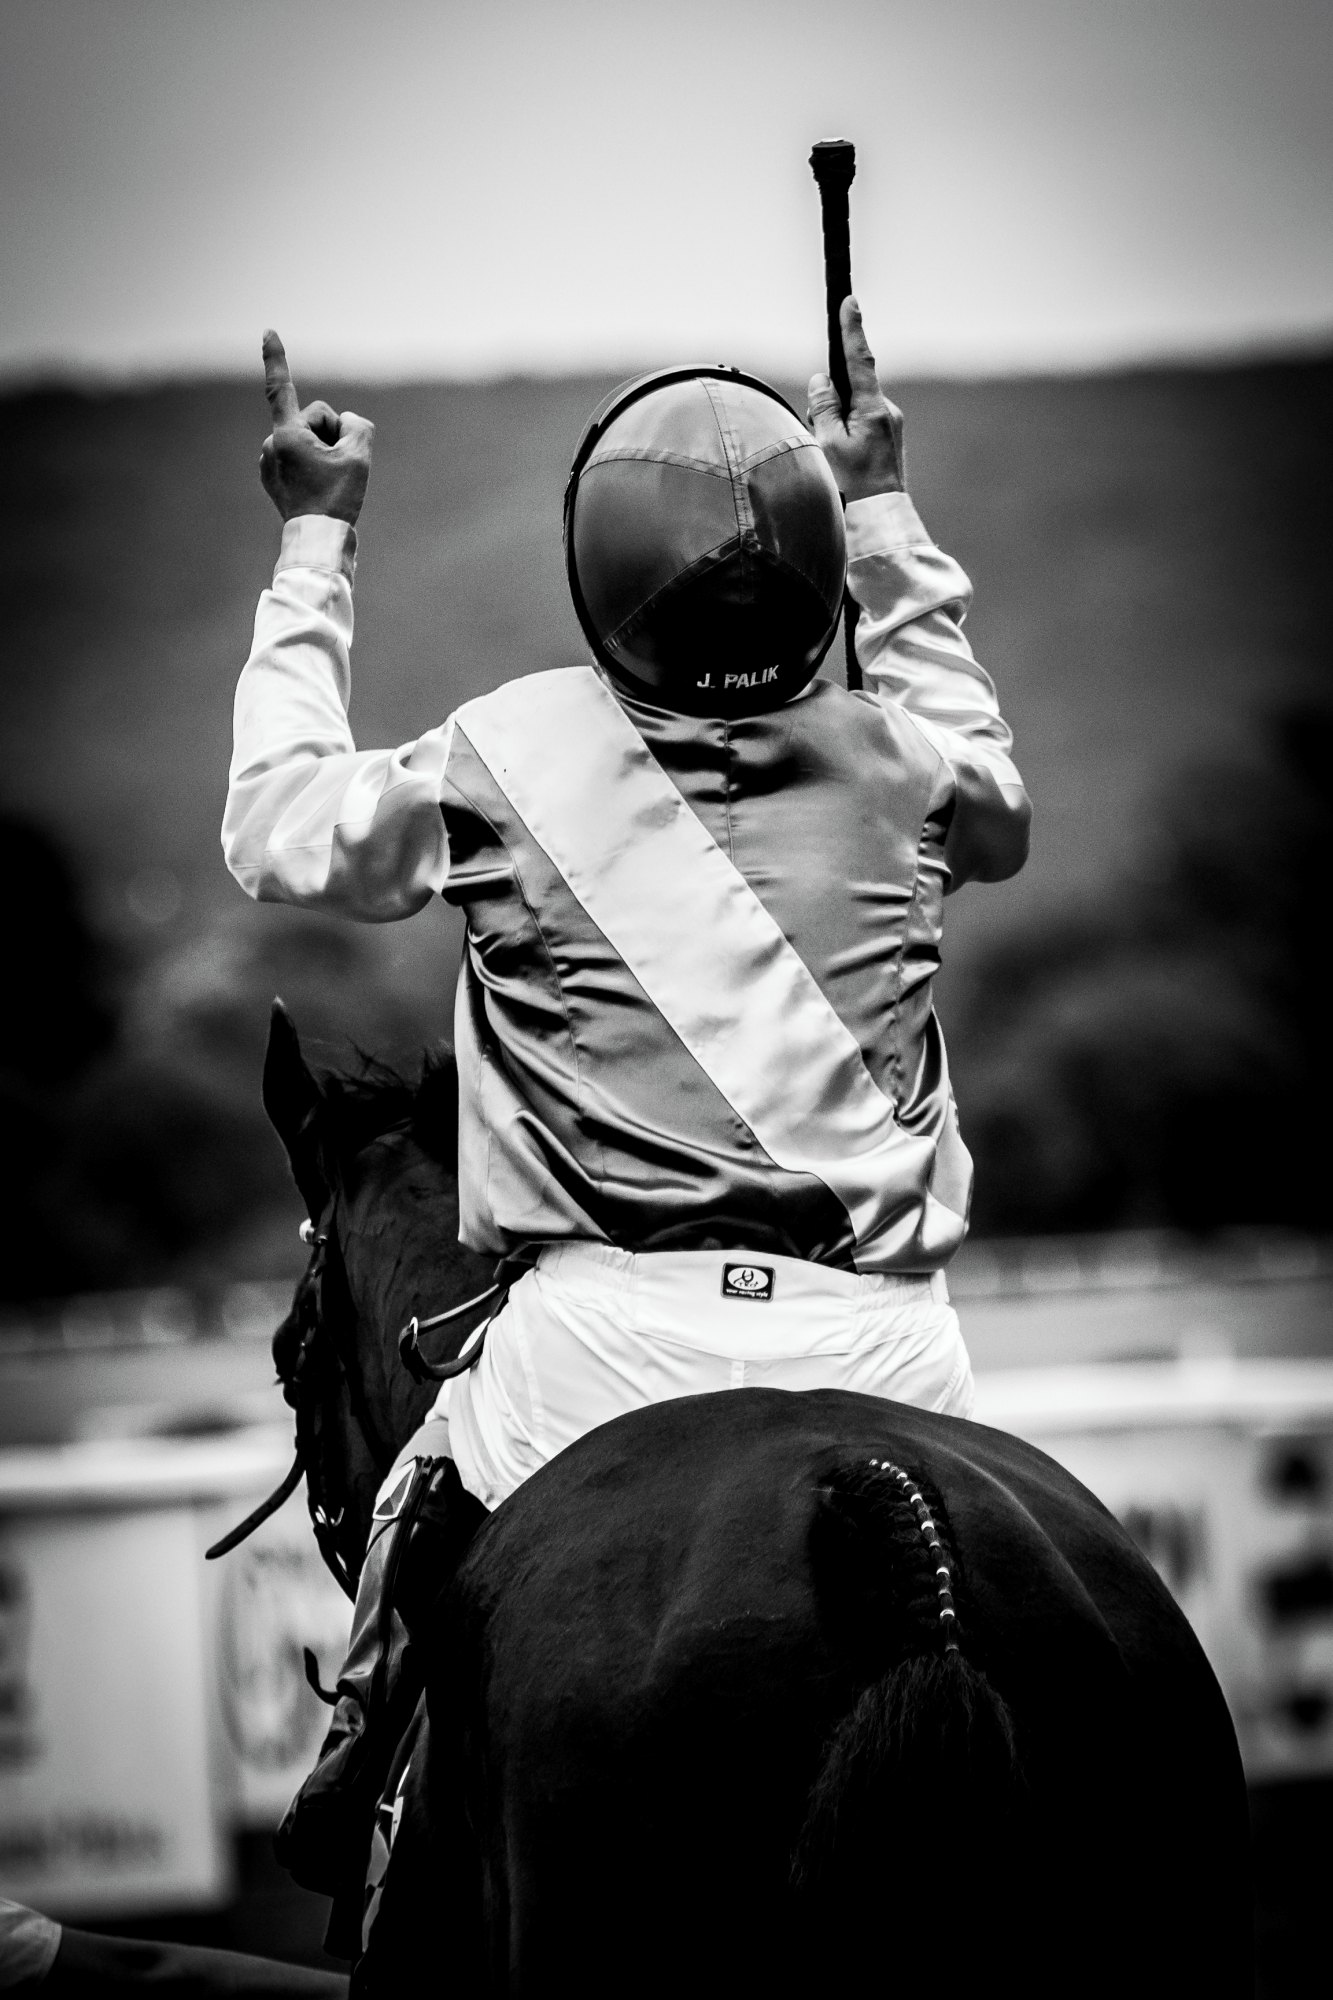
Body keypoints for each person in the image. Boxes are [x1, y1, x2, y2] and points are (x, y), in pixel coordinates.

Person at [222, 299, 1030, 1950]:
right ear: (808, 576)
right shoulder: (910, 761)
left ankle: (357, 1780)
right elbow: (1001, 805)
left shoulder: (504, 752)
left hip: (598, 1352)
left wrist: (316, 538)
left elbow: (269, 830)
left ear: (601, 578)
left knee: (416, 1498)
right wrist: (881, 502)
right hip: (898, 1351)